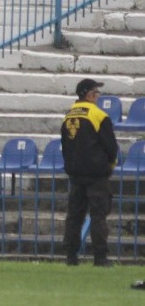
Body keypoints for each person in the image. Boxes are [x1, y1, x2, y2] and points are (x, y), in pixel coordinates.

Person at [61, 78, 119, 267]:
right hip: (96, 175)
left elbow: (65, 145)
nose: (98, 96)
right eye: (96, 92)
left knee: (74, 216)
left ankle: (71, 256)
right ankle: (100, 258)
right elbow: (111, 147)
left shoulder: (69, 115)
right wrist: (109, 166)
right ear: (89, 94)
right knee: (98, 215)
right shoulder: (98, 115)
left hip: (75, 175)